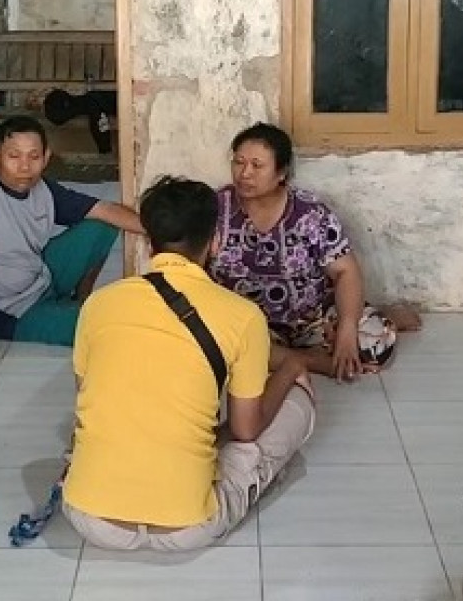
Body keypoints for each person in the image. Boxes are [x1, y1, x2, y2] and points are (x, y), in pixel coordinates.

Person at [63, 176, 315, 551]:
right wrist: (292, 367)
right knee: (296, 402)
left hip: (89, 517)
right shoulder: (243, 315)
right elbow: (246, 429)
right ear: (215, 242)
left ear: (148, 243)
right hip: (187, 527)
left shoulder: (98, 304)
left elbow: (85, 396)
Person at [210, 123, 398, 382]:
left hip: (311, 320)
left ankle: (292, 357)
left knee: (373, 343)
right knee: (221, 346)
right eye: (239, 162)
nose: (245, 173)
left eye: (257, 165)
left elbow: (345, 271)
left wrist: (346, 331)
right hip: (245, 323)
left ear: (281, 172)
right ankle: (312, 361)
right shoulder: (214, 208)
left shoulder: (310, 213)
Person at [0, 116, 143, 349]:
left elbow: (103, 209)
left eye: (34, 156)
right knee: (106, 325)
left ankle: (80, 300)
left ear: (46, 157)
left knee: (103, 224)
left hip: (42, 276)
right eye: (14, 156)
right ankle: (73, 314)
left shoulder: (44, 188)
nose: (25, 167)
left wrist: (160, 232)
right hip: (12, 312)